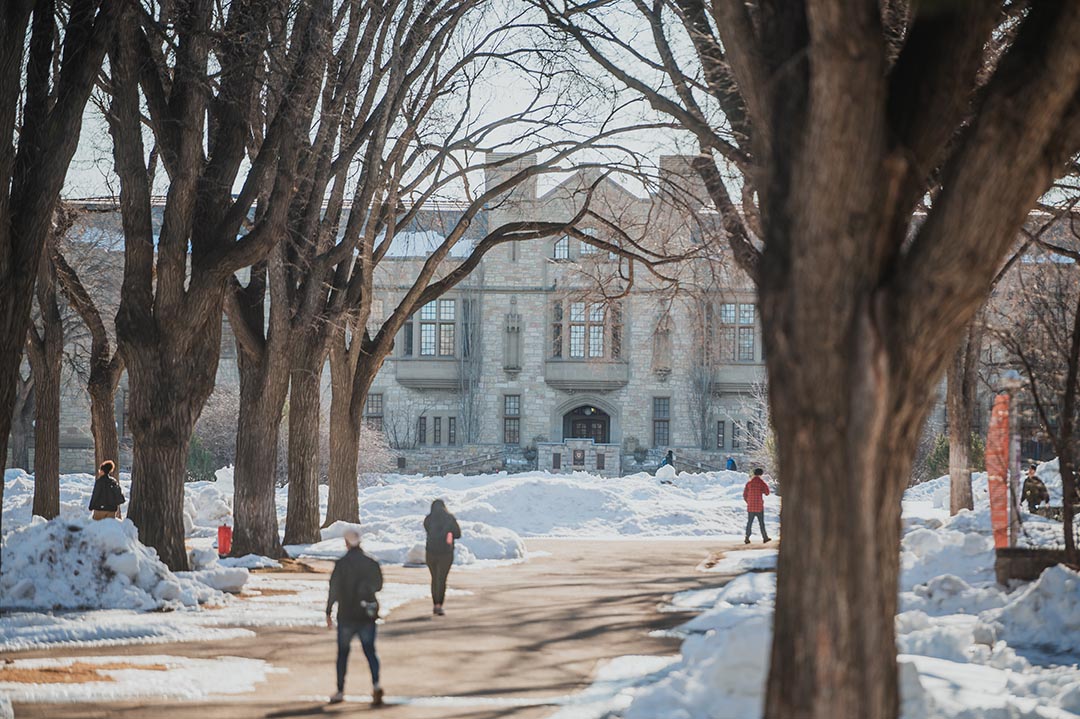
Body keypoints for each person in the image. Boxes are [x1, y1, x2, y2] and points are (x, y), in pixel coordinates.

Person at [325, 528, 383, 707]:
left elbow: (333, 589)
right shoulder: (371, 562)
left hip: (346, 614)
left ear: (346, 542)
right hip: (367, 614)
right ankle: (376, 684)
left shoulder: (341, 564)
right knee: (370, 651)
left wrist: (328, 611)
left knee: (343, 654)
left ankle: (340, 690)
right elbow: (379, 585)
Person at [423, 499, 461, 616]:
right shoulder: (450, 518)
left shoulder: (428, 519)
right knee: (442, 579)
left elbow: (427, 530)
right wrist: (449, 534)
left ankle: (435, 604)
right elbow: (458, 534)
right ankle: (439, 605)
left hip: (430, 553)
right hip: (446, 553)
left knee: (434, 578)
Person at [743, 467, 771, 544]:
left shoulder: (749, 483)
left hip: (750, 507)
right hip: (759, 506)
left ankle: (747, 538)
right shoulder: (761, 483)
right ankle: (765, 537)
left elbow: (745, 495)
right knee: (761, 523)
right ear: (761, 474)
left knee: (749, 522)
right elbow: (767, 492)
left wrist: (748, 502)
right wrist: (762, 491)